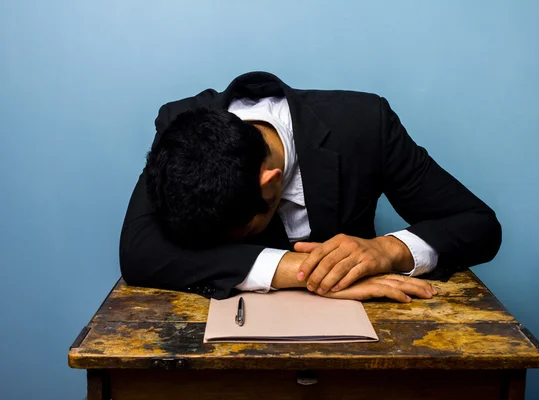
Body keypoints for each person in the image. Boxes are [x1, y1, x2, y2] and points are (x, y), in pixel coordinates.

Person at [119, 71, 501, 301]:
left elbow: (478, 225)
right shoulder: (179, 127)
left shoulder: (365, 124)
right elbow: (139, 251)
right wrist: (305, 273)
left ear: (269, 186)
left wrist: (388, 250)